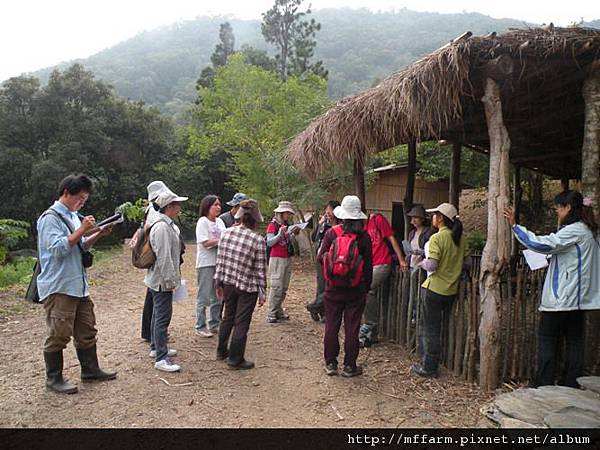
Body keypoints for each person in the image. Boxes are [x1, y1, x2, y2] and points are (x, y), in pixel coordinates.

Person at [504, 190, 600, 388]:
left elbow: (543, 244)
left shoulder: (575, 230)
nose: (557, 212)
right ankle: (571, 383)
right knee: (574, 341)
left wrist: (515, 226)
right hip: (579, 300)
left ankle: (544, 385)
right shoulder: (590, 231)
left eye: (558, 208)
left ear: (568, 208)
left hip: (563, 298)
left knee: (547, 339)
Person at [37, 174, 116, 394]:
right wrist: (82, 229)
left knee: (87, 329)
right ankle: (53, 379)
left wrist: (98, 233)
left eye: (85, 199)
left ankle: (90, 370)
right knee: (59, 333)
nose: (82, 202)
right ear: (66, 193)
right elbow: (57, 248)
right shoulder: (50, 218)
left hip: (78, 285)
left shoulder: (73, 216)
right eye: (80, 198)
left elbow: (80, 246)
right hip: (60, 285)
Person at [318, 195, 373, 377]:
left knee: (331, 326)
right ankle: (350, 366)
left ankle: (331, 364)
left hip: (333, 288)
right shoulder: (363, 237)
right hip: (355, 290)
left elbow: (320, 257)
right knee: (352, 328)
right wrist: (365, 288)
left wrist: (332, 271)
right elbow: (368, 267)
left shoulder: (331, 233)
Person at [411, 202, 466, 378]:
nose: (432, 217)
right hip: (451, 290)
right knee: (441, 326)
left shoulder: (437, 238)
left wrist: (420, 262)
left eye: (434, 215)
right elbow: (467, 263)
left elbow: (432, 264)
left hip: (434, 289)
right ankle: (435, 360)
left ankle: (429, 366)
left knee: (431, 328)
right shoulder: (460, 239)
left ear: (441, 218)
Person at [214, 199, 267, 369]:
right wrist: (262, 291)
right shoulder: (257, 240)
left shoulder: (226, 233)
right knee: (241, 322)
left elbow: (220, 260)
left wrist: (218, 282)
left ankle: (221, 351)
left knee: (228, 317)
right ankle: (235, 359)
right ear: (254, 219)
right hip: (247, 287)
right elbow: (260, 270)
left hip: (228, 282)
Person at [145, 188, 188, 372]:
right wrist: (171, 282)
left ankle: (157, 347)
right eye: (177, 204)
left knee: (157, 315)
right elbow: (164, 257)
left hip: (159, 279)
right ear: (169, 206)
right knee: (163, 317)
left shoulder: (165, 224)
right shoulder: (162, 227)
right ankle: (161, 358)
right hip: (162, 281)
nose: (180, 207)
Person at [359, 211, 408, 347]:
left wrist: (401, 259)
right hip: (369, 265)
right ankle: (371, 334)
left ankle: (369, 325)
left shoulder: (377, 219)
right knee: (367, 292)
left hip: (382, 263)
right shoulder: (359, 228)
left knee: (366, 289)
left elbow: (391, 238)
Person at [139, 180, 168, 343]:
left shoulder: (150, 209)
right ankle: (153, 336)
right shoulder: (154, 212)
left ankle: (149, 332)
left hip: (152, 258)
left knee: (151, 296)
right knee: (156, 299)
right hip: (156, 259)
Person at [195, 195, 226, 338]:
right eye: (215, 205)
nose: (218, 207)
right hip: (206, 263)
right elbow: (205, 242)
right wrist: (220, 241)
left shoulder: (220, 222)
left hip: (219, 262)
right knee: (204, 295)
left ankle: (215, 323)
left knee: (218, 295)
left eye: (219, 204)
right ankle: (200, 325)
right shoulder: (203, 221)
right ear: (207, 206)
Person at [266, 201, 300, 323]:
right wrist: (280, 234)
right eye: (287, 213)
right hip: (276, 258)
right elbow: (269, 242)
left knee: (284, 286)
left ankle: (278, 310)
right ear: (281, 213)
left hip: (287, 257)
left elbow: (289, 241)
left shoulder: (286, 225)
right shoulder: (273, 225)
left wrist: (292, 233)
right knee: (276, 286)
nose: (288, 215)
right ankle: (271, 312)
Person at [306, 200, 340, 322]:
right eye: (326, 211)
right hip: (322, 258)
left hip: (335, 259)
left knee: (329, 286)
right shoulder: (325, 224)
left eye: (330, 211)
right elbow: (314, 237)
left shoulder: (340, 225)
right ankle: (320, 310)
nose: (327, 213)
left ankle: (318, 309)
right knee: (322, 285)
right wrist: (320, 224)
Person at [406, 205, 435, 272]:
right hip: (411, 265)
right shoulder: (412, 233)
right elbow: (408, 250)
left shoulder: (428, 232)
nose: (413, 220)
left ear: (422, 219)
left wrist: (420, 252)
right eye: (412, 217)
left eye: (416, 217)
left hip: (423, 267)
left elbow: (431, 251)